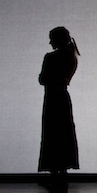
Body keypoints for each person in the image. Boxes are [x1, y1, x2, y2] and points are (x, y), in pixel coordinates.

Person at [38, 27, 80, 185]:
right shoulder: (71, 57)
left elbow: (43, 79)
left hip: (52, 97)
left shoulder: (51, 57)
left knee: (52, 133)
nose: (50, 42)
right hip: (62, 96)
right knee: (64, 132)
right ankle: (62, 170)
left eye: (52, 38)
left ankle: (54, 171)